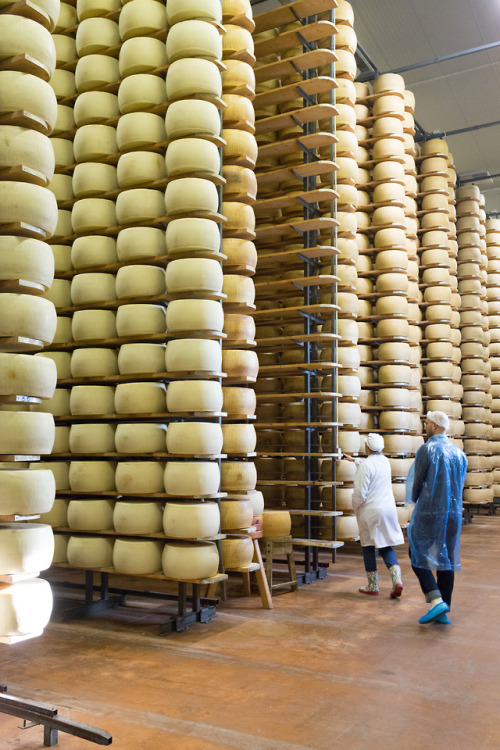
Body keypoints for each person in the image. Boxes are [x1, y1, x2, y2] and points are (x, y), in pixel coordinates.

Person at [406, 411, 467, 625]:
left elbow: (417, 480)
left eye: (426, 423)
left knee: (416, 552)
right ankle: (443, 610)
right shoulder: (460, 454)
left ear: (433, 425)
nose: (425, 427)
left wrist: (413, 499)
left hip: (429, 511)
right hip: (453, 514)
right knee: (446, 558)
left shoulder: (427, 449)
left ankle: (435, 599)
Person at [344, 433, 404, 598]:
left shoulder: (366, 465)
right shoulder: (385, 461)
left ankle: (372, 585)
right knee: (385, 545)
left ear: (368, 447)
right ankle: (397, 580)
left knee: (368, 546)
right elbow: (370, 466)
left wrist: (355, 507)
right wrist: (354, 460)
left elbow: (360, 492)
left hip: (371, 510)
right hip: (388, 509)